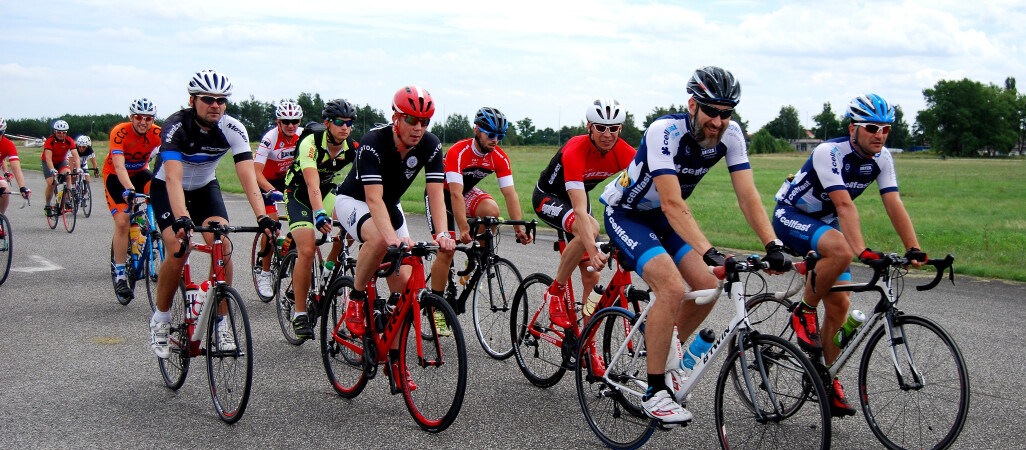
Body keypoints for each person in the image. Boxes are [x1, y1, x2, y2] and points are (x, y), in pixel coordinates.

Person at [599, 66, 790, 425]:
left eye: (726, 113)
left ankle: (663, 348)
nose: (718, 121)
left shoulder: (731, 135)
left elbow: (747, 195)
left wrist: (773, 242)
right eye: (711, 111)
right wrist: (708, 250)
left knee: (706, 287)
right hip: (628, 215)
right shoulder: (664, 132)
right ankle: (655, 392)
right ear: (692, 105)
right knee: (670, 286)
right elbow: (671, 202)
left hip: (665, 220)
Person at [774, 93, 926, 417]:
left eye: (886, 129)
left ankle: (825, 380)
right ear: (853, 128)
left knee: (841, 304)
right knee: (842, 251)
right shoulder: (829, 152)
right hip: (793, 214)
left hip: (825, 223)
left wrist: (913, 247)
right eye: (872, 127)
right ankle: (803, 310)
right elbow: (844, 205)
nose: (880, 135)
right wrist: (861, 251)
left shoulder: (882, 158)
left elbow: (893, 202)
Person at [148, 70, 277, 359]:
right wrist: (181, 217)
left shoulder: (233, 128)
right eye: (208, 99)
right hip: (169, 189)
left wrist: (262, 217)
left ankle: (219, 322)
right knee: (179, 249)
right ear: (193, 100)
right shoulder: (175, 126)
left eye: (221, 100)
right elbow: (172, 178)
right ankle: (161, 318)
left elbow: (247, 177)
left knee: (224, 244)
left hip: (205, 188)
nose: (215, 105)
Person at [334, 85, 456, 387]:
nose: (418, 128)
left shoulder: (431, 144)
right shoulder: (373, 143)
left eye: (424, 122)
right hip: (355, 200)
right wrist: (393, 239)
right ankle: (357, 298)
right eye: (411, 120)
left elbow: (436, 194)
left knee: (404, 291)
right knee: (378, 239)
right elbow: (373, 200)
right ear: (396, 117)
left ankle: (394, 359)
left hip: (390, 205)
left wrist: (441, 233)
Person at [425, 107, 533, 333]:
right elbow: (454, 194)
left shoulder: (499, 157)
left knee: (491, 212)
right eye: (491, 135)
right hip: (442, 196)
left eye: (500, 136)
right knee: (447, 249)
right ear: (477, 130)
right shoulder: (459, 151)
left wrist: (519, 229)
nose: (496, 140)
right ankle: (436, 308)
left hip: (464, 192)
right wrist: (463, 227)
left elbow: (510, 194)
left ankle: (474, 259)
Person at [534, 98, 635, 330]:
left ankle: (587, 348)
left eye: (613, 128)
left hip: (577, 196)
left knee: (592, 278)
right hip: (549, 196)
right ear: (589, 126)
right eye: (600, 127)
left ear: (620, 128)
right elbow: (579, 210)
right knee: (590, 228)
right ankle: (555, 293)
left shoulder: (624, 153)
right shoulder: (575, 150)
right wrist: (592, 249)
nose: (607, 134)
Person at [282, 98, 358, 339]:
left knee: (351, 229)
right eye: (339, 122)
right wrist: (319, 213)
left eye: (349, 123)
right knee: (305, 250)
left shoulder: (351, 148)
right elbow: (311, 182)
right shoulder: (310, 143)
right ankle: (300, 314)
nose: (345, 127)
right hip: (299, 193)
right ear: (327, 123)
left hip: (325, 192)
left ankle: (329, 270)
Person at [104, 98, 162, 301]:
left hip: (141, 173)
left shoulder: (158, 133)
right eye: (139, 117)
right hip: (116, 177)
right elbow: (119, 167)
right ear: (131, 117)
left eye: (148, 118)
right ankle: (120, 275)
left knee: (159, 194)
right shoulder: (120, 131)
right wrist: (129, 189)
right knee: (122, 221)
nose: (143, 122)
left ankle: (150, 237)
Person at [252, 100, 305, 298]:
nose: (290, 125)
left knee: (301, 223)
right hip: (266, 182)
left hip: (288, 181)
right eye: (286, 121)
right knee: (272, 226)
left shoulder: (302, 136)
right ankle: (265, 273)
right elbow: (256, 172)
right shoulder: (270, 139)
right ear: (278, 121)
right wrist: (271, 190)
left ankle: (288, 250)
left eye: (294, 121)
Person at [41, 120, 81, 216]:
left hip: (61, 161)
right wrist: (52, 169)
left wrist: (78, 168)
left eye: (64, 132)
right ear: (55, 131)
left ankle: (67, 200)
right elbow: (48, 158)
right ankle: (47, 205)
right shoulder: (50, 141)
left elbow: (76, 155)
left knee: (68, 176)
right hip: (49, 162)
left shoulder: (69, 140)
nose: (61, 134)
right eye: (59, 132)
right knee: (51, 183)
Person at [0, 116, 31, 215]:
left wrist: (22, 187)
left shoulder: (8, 145)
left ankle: (0, 219)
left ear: (3, 132)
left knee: (5, 190)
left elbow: (16, 167)